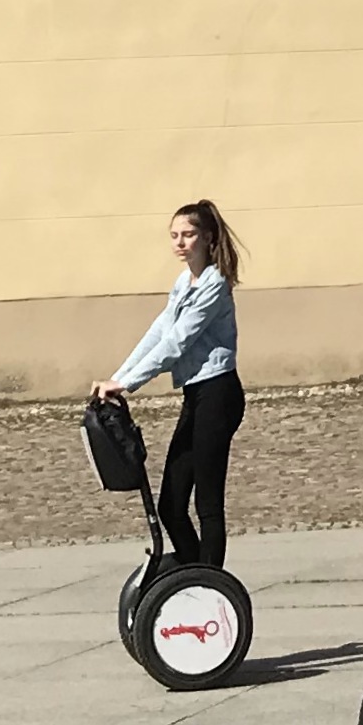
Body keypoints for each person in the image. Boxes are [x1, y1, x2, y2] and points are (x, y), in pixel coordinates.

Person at [92, 199, 244, 569]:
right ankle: (191, 574)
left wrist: (127, 384)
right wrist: (118, 377)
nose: (180, 242)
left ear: (207, 238)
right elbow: (158, 332)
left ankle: (211, 584)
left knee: (207, 502)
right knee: (170, 504)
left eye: (188, 235)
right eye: (174, 235)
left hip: (218, 392)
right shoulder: (183, 282)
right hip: (196, 393)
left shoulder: (214, 285)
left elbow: (178, 342)